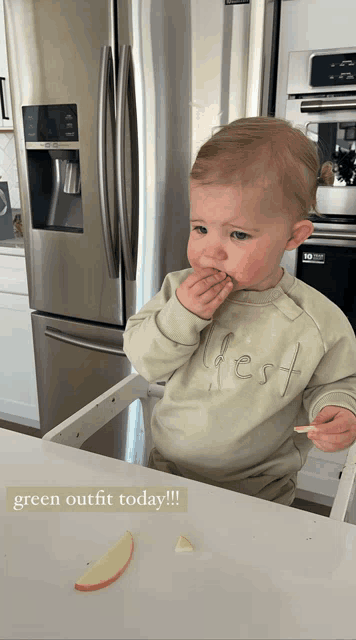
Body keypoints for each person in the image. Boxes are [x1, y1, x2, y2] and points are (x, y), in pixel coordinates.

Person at [123, 116, 356, 507]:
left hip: (260, 491)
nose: (211, 250)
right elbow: (144, 360)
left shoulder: (318, 322)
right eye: (200, 228)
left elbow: (337, 382)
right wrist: (182, 314)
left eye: (238, 234)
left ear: (293, 237)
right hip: (167, 472)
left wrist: (337, 411)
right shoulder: (178, 291)